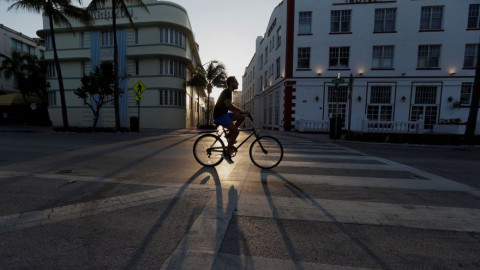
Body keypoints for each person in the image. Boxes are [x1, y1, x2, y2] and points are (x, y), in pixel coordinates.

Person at [213, 76, 246, 164]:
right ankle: (226, 153)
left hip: (225, 114)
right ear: (231, 83)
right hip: (220, 116)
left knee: (242, 116)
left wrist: (240, 112)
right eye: (236, 81)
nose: (238, 83)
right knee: (236, 132)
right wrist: (240, 110)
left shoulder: (229, 92)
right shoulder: (227, 91)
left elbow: (229, 107)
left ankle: (229, 135)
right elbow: (229, 106)